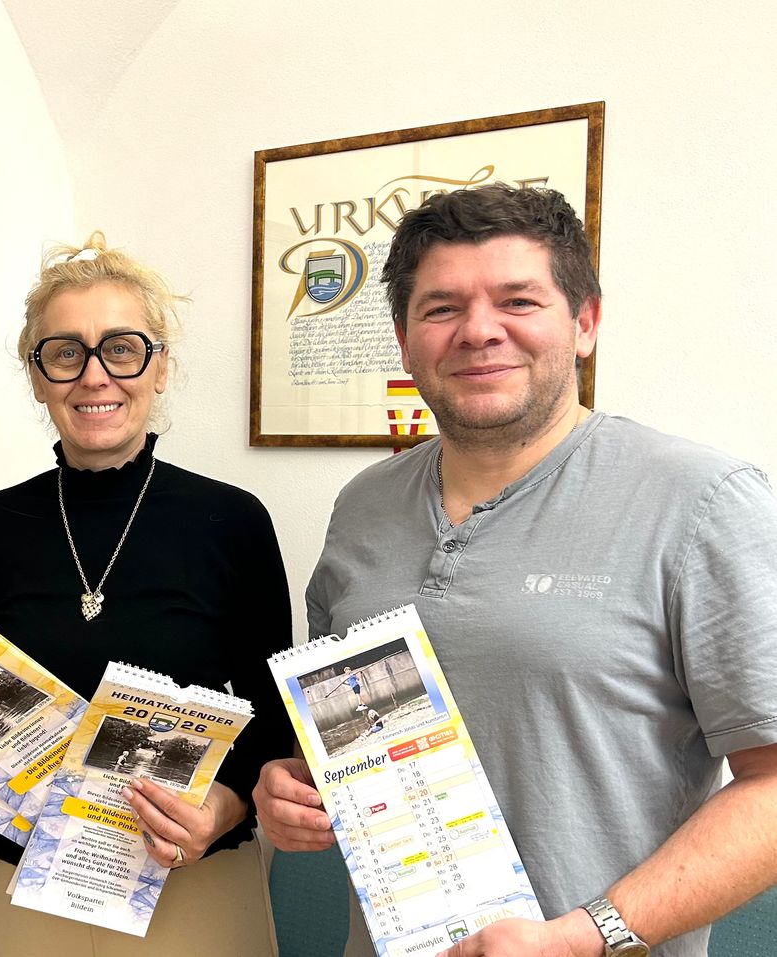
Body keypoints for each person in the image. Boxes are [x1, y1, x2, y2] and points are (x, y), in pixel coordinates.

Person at [253, 184, 777, 957]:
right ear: (404, 340)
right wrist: (295, 790)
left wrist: (584, 935)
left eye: (518, 300)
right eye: (441, 308)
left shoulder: (702, 501)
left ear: (586, 321)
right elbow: (356, 737)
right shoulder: (363, 505)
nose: (478, 331)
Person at [0, 233, 292, 956]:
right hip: (12, 889)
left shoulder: (232, 521)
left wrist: (222, 807)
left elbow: (275, 728)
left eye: (121, 347)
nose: (94, 375)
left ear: (160, 365)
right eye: (64, 352)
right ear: (38, 374)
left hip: (187, 879)